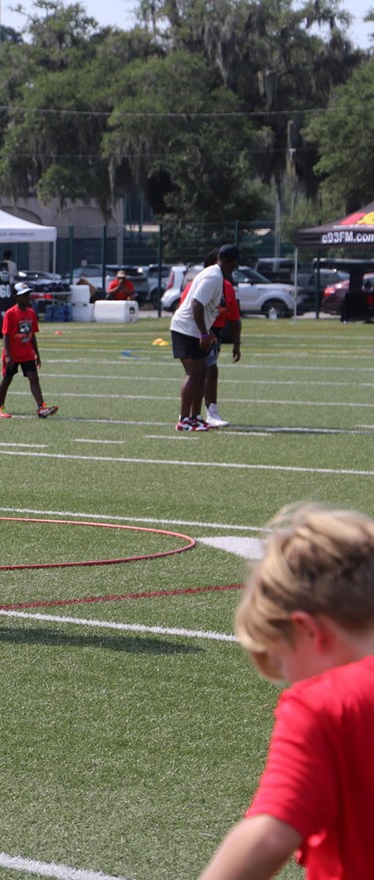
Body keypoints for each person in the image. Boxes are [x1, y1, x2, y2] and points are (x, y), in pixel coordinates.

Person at [198, 504, 374, 880]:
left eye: (282, 662)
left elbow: (268, 837)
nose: (292, 681)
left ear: (309, 630)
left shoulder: (326, 706)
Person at [170, 244, 238, 431]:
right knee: (194, 372)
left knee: (202, 371)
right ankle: (184, 419)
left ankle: (195, 417)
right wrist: (204, 333)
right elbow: (197, 305)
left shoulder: (213, 274)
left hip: (192, 328)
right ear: (230, 261)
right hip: (187, 328)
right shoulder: (214, 277)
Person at [0, 285, 58, 418]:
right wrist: (8, 356)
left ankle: (41, 407)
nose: (28, 297)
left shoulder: (31, 313)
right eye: (24, 295)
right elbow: (6, 335)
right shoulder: (10, 314)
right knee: (7, 379)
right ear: (17, 297)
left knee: (34, 378)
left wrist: (37, 354)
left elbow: (32, 335)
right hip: (13, 353)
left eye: (28, 294)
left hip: (27, 353)